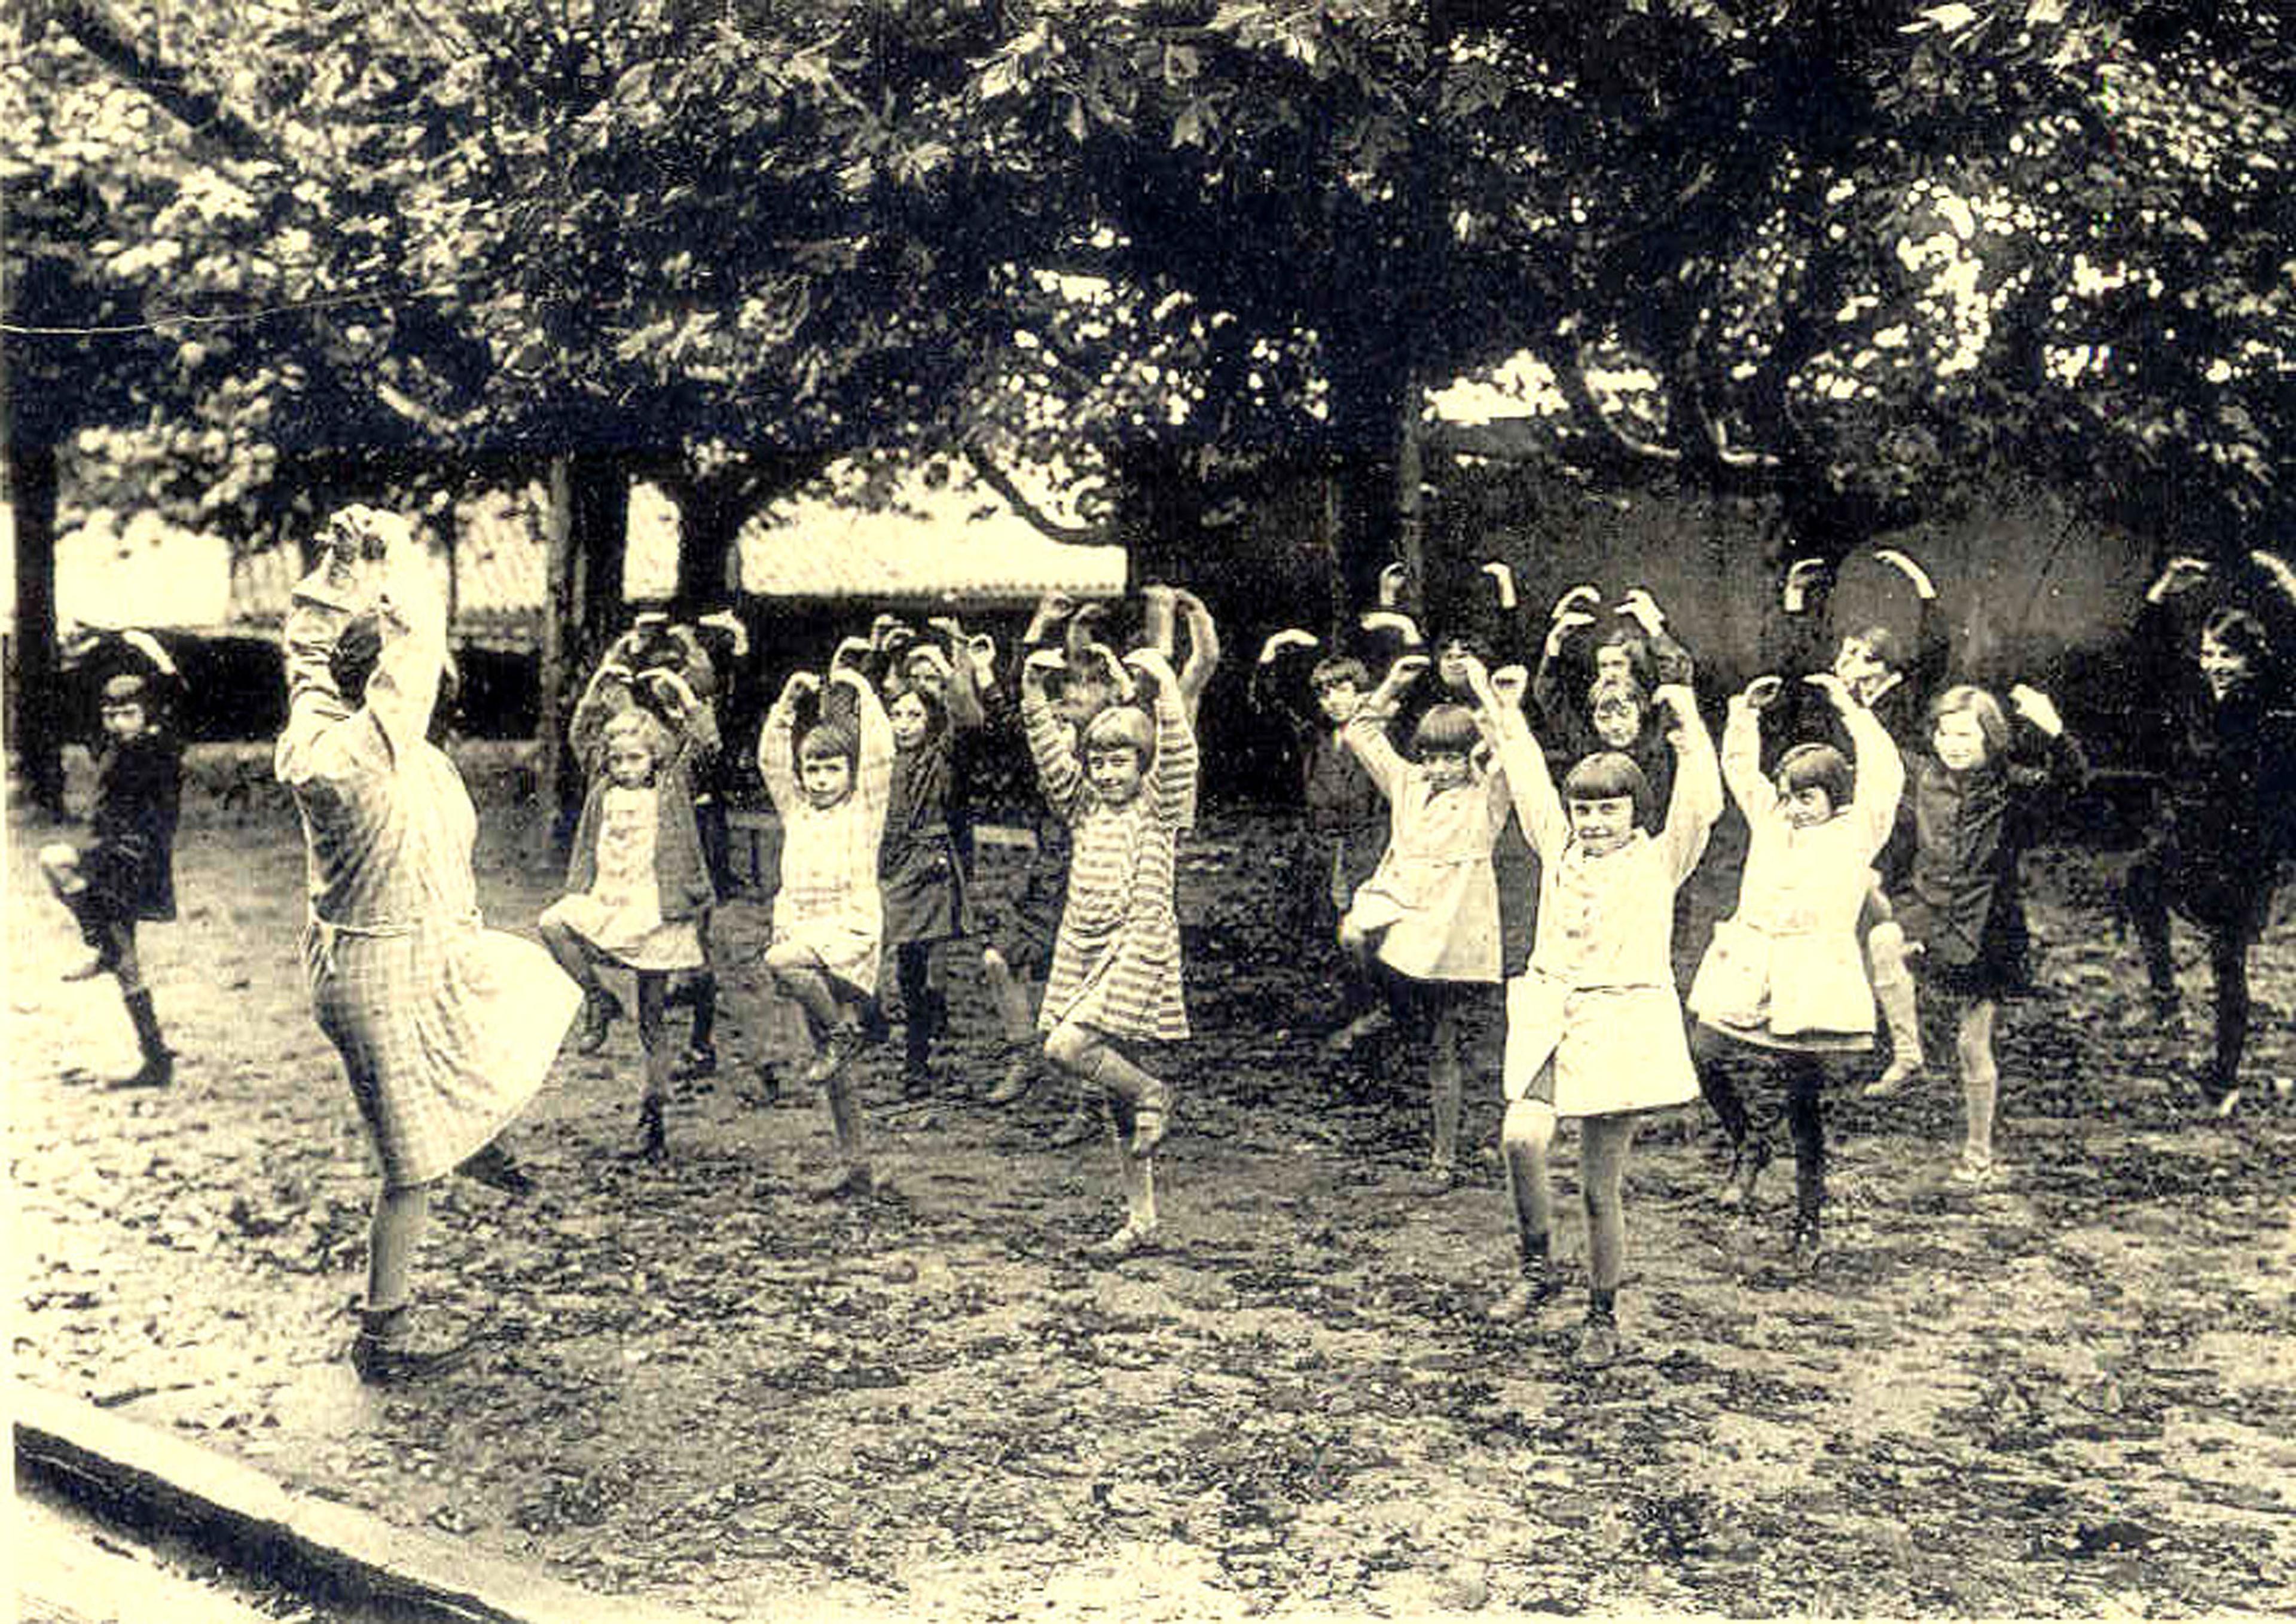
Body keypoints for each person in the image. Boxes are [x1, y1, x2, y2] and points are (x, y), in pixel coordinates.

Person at [276, 505, 577, 1384]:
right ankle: (384, 1337)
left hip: (409, 951)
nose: (440, 691)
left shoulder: (316, 730)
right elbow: (408, 653)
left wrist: (339, 569)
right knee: (408, 1172)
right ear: (388, 692)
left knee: (528, 981)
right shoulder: (363, 758)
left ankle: (469, 1130)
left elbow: (308, 652)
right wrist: (395, 560)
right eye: (427, 684)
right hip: (380, 967)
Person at [1476, 658, 1721, 1366]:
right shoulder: (1559, 849)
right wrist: (1508, 708)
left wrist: (1689, 725)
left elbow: (1699, 806)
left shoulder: (1659, 860)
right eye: (1585, 809)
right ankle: (1535, 1267)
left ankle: (1602, 1312)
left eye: (1609, 809)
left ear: (1633, 813)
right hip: (1556, 1010)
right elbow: (1526, 780)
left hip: (1623, 1020)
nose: (1594, 822)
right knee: (1522, 1137)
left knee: (1595, 1186)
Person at [1687, 672, 1904, 1268]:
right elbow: (1741, 774)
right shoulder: (1772, 820)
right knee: (1703, 1053)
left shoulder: (1858, 832)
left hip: (1813, 977)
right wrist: (1744, 717)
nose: (1793, 806)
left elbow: (1886, 776)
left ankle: (1808, 1219)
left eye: (1806, 796)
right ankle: (1748, 1140)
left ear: (1836, 797)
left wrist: (1854, 712)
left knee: (1803, 1100)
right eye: (1788, 794)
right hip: (1752, 961)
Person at [1022, 640, 1198, 1261]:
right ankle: (1141, 1218)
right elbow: (1049, 757)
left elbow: (1178, 758)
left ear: (1140, 764)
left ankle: (1156, 1092)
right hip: (1084, 945)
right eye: (1098, 762)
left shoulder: (1158, 808)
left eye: (1120, 761)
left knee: (1068, 1046)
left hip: (1136, 944)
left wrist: (1167, 693)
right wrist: (1033, 693)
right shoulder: (1084, 807)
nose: (1107, 773)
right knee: (1110, 1098)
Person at [2123, 552, 2296, 1118]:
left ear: (2252, 660)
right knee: (2140, 877)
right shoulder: (2195, 697)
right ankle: (2165, 998)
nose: (2215, 664)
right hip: (2189, 841)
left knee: (2229, 966)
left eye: (2227, 656)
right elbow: (2150, 659)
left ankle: (2223, 1076)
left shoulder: (2270, 704)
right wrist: (2161, 593)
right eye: (2208, 654)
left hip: (2242, 857)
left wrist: (2290, 591)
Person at [1891, 682, 2085, 1183]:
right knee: (1878, 944)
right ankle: (1905, 1054)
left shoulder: (2009, 787)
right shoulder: (1921, 780)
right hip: (1927, 912)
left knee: (1971, 1043)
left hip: (1986, 926)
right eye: (1945, 732)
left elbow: (2073, 784)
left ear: (1990, 738)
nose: (1953, 744)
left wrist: (2053, 727)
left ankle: (1979, 1151)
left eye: (1966, 735)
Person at [1339, 647, 1512, 1190]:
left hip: (1453, 923)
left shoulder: (1488, 797)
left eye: (1451, 759)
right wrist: (1392, 683)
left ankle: (1444, 1158)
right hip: (1400, 902)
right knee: (1352, 932)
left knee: (1443, 1042)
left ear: (1471, 757)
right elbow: (1361, 734)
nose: (1438, 769)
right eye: (1431, 757)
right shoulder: (1410, 784)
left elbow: (1512, 750)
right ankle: (1388, 1008)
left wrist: (1484, 694)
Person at [538, 668, 716, 1159]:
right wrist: (597, 684)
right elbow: (581, 736)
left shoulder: (671, 789)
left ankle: (652, 1117)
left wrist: (681, 692)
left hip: (655, 912)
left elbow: (703, 739)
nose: (624, 766)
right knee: (553, 925)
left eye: (635, 758)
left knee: (653, 1021)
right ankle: (597, 1000)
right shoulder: (603, 790)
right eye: (617, 759)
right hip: (606, 904)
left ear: (654, 756)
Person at [757, 639, 897, 1199]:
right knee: (829, 1058)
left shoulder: (864, 810)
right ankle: (855, 1164)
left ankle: (846, 1032)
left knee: (780, 963)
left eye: (831, 768)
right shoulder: (796, 811)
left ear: (848, 771)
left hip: (849, 931)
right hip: (806, 932)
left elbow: (883, 753)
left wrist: (860, 689)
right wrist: (787, 705)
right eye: (812, 768)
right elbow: (771, 758)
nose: (820, 779)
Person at [39, 640, 186, 1091]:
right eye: (111, 715)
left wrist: (148, 644)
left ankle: (99, 944)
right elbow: (81, 703)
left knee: (55, 860)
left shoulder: (160, 748)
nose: (119, 723)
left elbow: (176, 690)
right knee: (128, 964)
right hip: (111, 854)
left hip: (133, 860)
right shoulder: (114, 746)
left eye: (129, 714)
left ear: (149, 716)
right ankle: (156, 1059)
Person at [1249, 633, 1392, 1053]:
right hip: (1323, 847)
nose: (1333, 701)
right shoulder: (1314, 739)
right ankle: (1353, 1006)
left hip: (1367, 843)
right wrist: (1271, 652)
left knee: (1364, 929)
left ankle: (1381, 1008)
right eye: (1325, 693)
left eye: (1342, 690)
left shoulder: (1376, 736)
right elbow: (1268, 707)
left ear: (1362, 693)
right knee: (1328, 927)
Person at [878, 634, 984, 1100]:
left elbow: (969, 718)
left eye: (914, 716)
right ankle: (881, 1028)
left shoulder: (940, 756)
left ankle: (915, 1061)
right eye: (896, 715)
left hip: (927, 869)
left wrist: (950, 666)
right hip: (889, 865)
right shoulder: (879, 761)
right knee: (895, 965)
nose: (903, 725)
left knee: (916, 966)